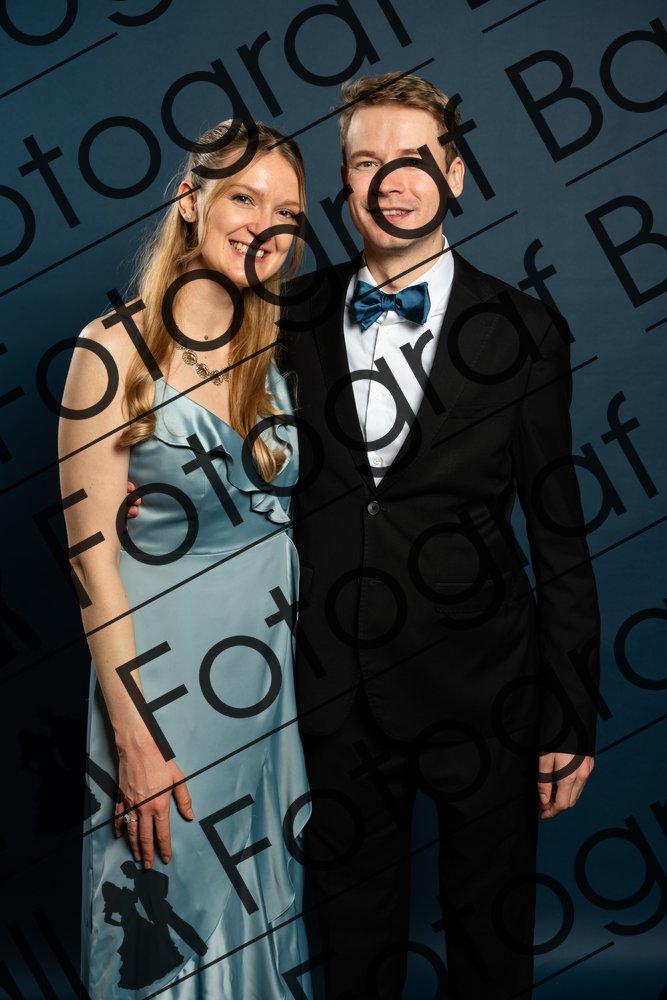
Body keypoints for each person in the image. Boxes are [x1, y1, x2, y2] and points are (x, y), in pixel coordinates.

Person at [281, 73, 600, 999]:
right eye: (367, 161)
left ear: (453, 175)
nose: (392, 181)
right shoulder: (288, 316)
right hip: (335, 691)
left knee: (489, 948)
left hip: (488, 691)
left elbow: (559, 534)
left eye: (414, 159)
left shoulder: (525, 329)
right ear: (344, 181)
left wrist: (568, 713)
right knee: (354, 952)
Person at [59, 120, 313, 998]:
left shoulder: (276, 352)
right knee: (159, 906)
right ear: (190, 200)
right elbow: (91, 564)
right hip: (164, 684)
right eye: (243, 197)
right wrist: (135, 737)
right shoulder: (111, 350)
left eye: (287, 213)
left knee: (260, 902)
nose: (264, 226)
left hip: (266, 679)